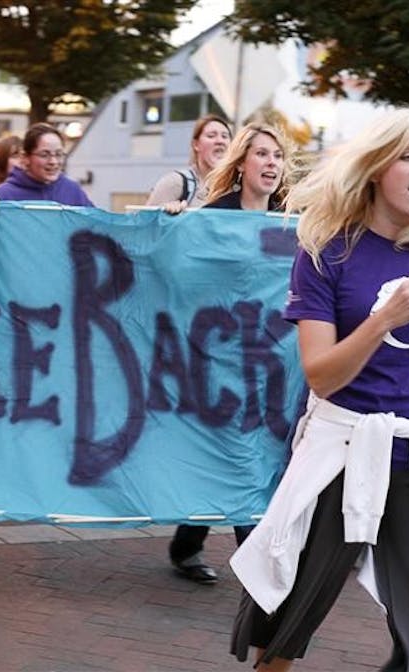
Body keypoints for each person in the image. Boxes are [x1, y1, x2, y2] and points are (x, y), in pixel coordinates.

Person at [229, 107, 409, 671]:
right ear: (377, 168)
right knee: (287, 616)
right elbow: (320, 375)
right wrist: (382, 321)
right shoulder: (326, 252)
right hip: (341, 451)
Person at [166, 122, 294, 586]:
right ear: (241, 164)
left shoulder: (290, 221)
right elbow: (180, 272)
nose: (272, 163)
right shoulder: (213, 215)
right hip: (216, 358)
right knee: (235, 453)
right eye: (262, 154)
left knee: (250, 453)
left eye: (278, 156)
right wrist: (175, 223)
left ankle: (187, 546)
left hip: (269, 362)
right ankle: (253, 558)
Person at [145, 113, 231, 213]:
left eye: (225, 136)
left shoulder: (237, 189)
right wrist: (165, 214)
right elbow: (143, 223)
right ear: (196, 144)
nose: (220, 141)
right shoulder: (175, 183)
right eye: (211, 136)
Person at [0, 123, 93, 206]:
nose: (53, 161)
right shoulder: (3, 196)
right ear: (25, 158)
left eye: (59, 154)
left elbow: (94, 226)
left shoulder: (72, 190)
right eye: (44, 155)